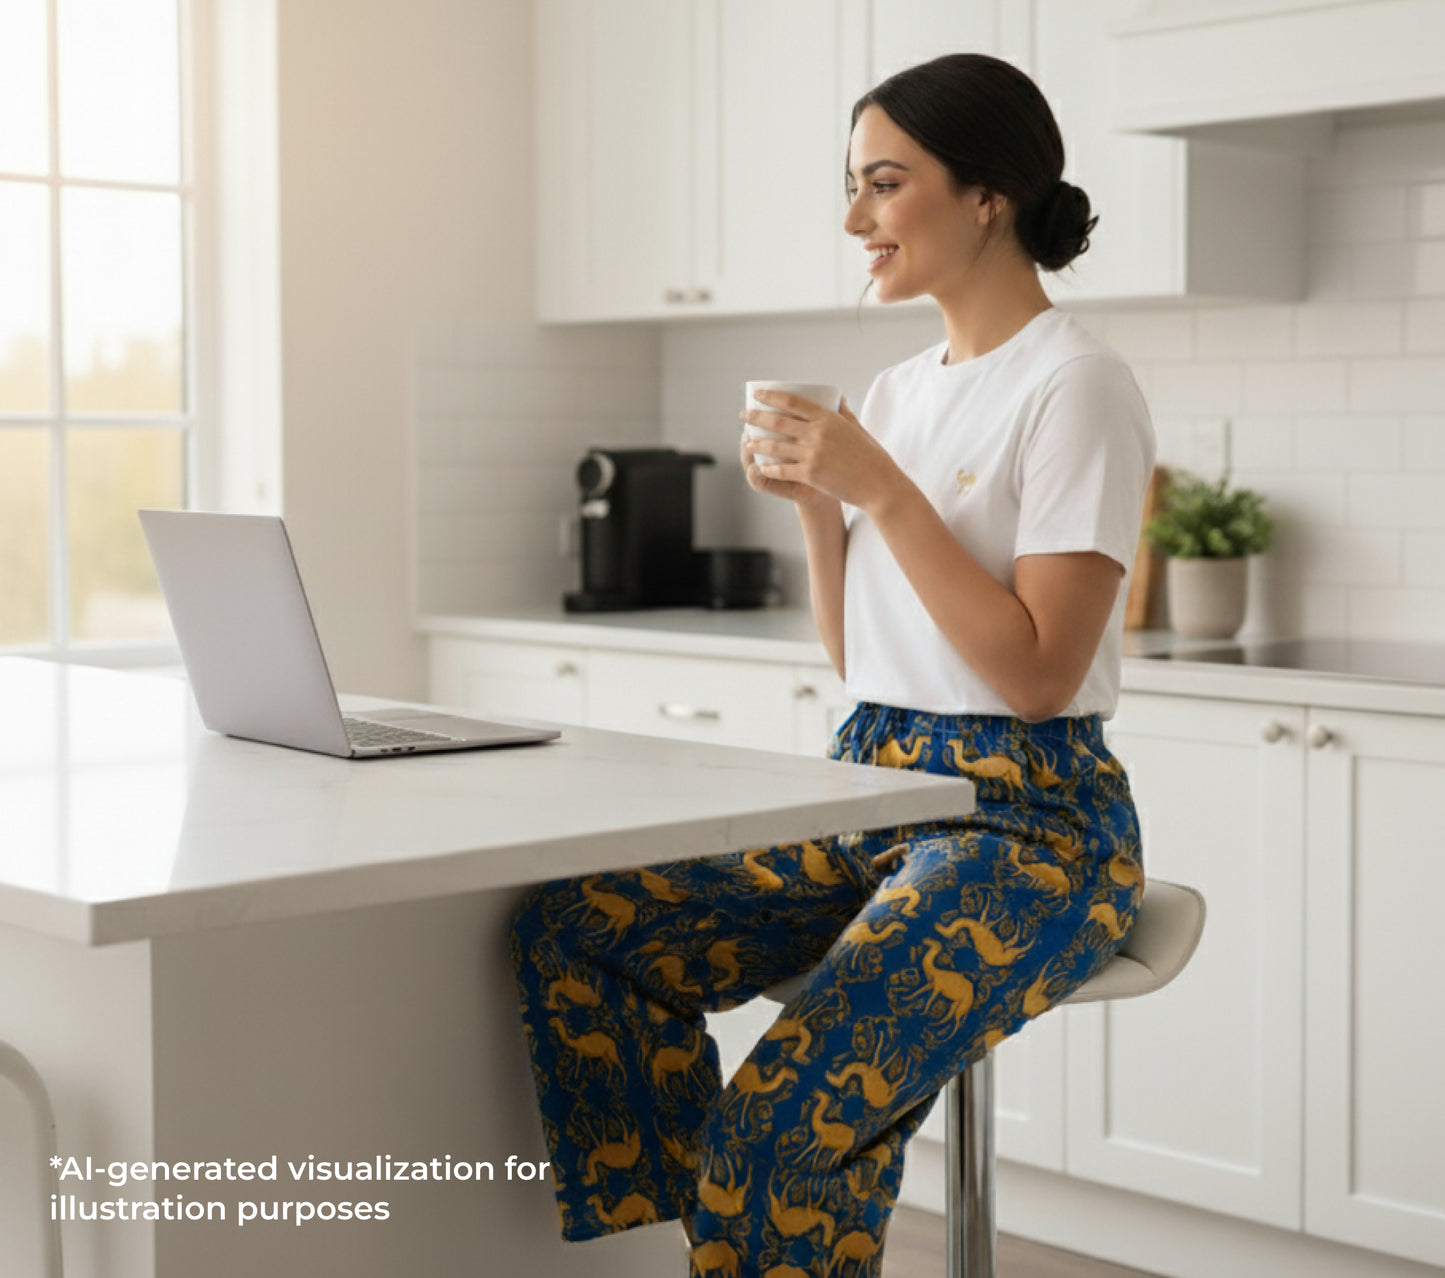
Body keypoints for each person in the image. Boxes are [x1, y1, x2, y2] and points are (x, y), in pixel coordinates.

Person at [509, 52, 1155, 1277]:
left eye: (883, 183)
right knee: (579, 925)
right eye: (851, 186)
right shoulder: (898, 391)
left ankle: (756, 1200)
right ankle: (686, 1249)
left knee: (777, 1121)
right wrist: (816, 504)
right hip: (871, 784)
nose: (853, 219)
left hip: (1025, 823)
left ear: (986, 197)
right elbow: (867, 656)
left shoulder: (1076, 385)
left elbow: (1034, 677)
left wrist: (877, 489)